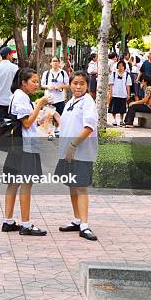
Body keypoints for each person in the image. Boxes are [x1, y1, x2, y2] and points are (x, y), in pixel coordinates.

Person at [1, 69, 49, 236]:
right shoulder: (21, 97)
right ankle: (26, 224)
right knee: (26, 184)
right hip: (25, 147)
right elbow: (27, 123)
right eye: (34, 81)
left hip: (18, 146)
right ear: (24, 82)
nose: (37, 84)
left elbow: (27, 121)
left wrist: (40, 117)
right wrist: (40, 105)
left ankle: (8, 221)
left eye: (38, 81)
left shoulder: (18, 96)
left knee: (14, 183)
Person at [53, 70, 99, 241]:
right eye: (75, 83)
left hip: (81, 151)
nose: (78, 86)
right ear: (70, 84)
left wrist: (73, 145)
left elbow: (89, 127)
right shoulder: (71, 101)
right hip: (68, 151)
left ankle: (85, 225)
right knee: (72, 185)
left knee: (81, 187)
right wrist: (53, 114)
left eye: (82, 83)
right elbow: (66, 124)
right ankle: (77, 220)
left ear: (87, 85)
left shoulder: (88, 102)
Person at [41, 57, 69, 138]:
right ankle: (49, 133)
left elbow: (68, 85)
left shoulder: (63, 73)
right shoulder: (46, 73)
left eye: (57, 61)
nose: (55, 63)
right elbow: (42, 85)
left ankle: (57, 130)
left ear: (59, 63)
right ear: (50, 63)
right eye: (53, 61)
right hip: (49, 99)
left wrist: (60, 86)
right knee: (49, 116)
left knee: (59, 116)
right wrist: (48, 87)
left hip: (60, 99)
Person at [0, 47, 19, 122]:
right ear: (8, 55)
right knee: (12, 124)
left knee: (2, 124)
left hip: (0, 101)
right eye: (11, 54)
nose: (12, 56)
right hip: (12, 101)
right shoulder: (15, 68)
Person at [107, 61, 132, 127]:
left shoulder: (127, 75)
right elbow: (111, 84)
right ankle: (114, 120)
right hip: (115, 93)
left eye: (122, 66)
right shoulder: (114, 74)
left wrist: (128, 94)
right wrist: (111, 93)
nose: (120, 67)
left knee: (122, 109)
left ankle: (121, 120)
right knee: (113, 108)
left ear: (124, 67)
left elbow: (128, 85)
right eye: (119, 66)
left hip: (123, 94)